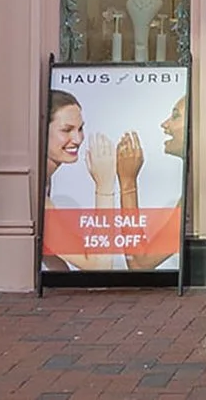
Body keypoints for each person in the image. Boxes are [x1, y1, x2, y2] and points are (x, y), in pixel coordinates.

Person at [43, 88, 188, 272]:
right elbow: (102, 266)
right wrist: (107, 186)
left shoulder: (197, 191)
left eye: (80, 129)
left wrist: (122, 182)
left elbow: (138, 262)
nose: (78, 139)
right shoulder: (35, 193)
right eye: (66, 130)